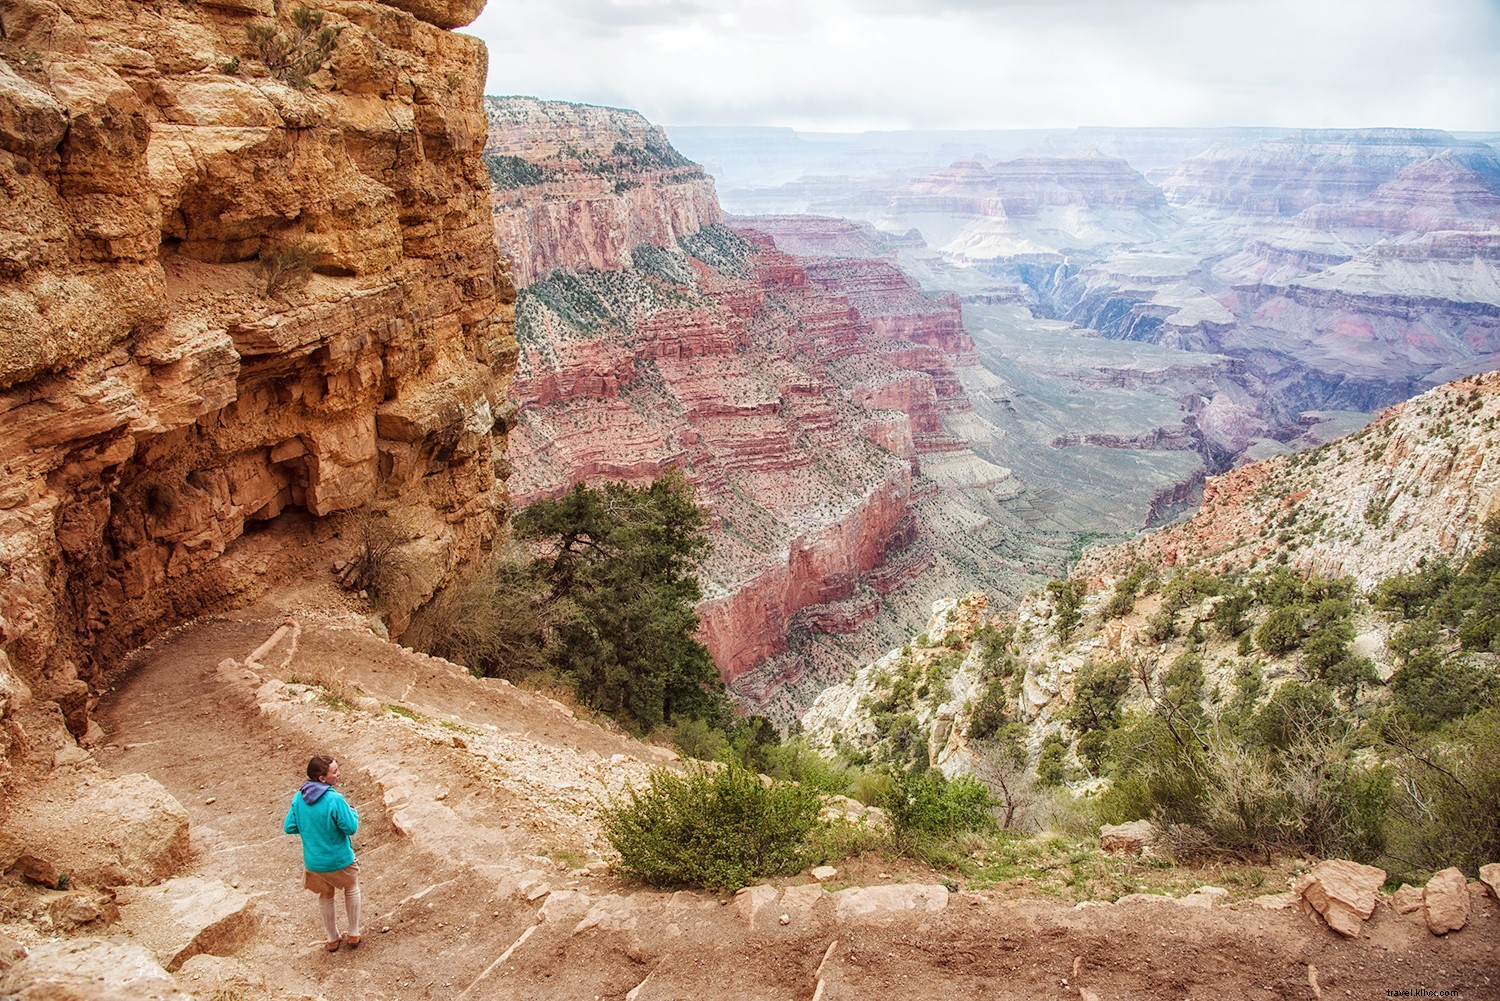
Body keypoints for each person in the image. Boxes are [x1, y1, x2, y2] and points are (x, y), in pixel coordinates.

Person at [283, 755, 362, 952]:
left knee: (326, 895)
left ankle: (332, 938)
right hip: (340, 859)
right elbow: (350, 827)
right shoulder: (334, 799)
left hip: (314, 862)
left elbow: (289, 826)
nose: (338, 774)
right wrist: (353, 812)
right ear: (322, 779)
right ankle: (353, 933)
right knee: (351, 887)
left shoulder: (299, 797)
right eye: (334, 772)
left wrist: (310, 828)